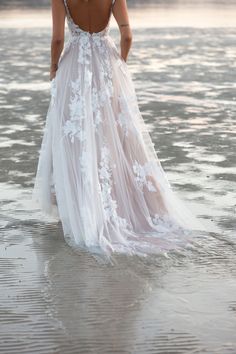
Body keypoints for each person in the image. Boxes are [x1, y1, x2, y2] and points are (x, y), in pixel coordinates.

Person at [32, 0, 202, 258]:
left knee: (76, 138)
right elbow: (127, 34)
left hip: (74, 68)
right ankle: (119, 206)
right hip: (107, 65)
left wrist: (53, 66)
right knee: (113, 137)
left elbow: (57, 39)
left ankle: (80, 209)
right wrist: (120, 62)